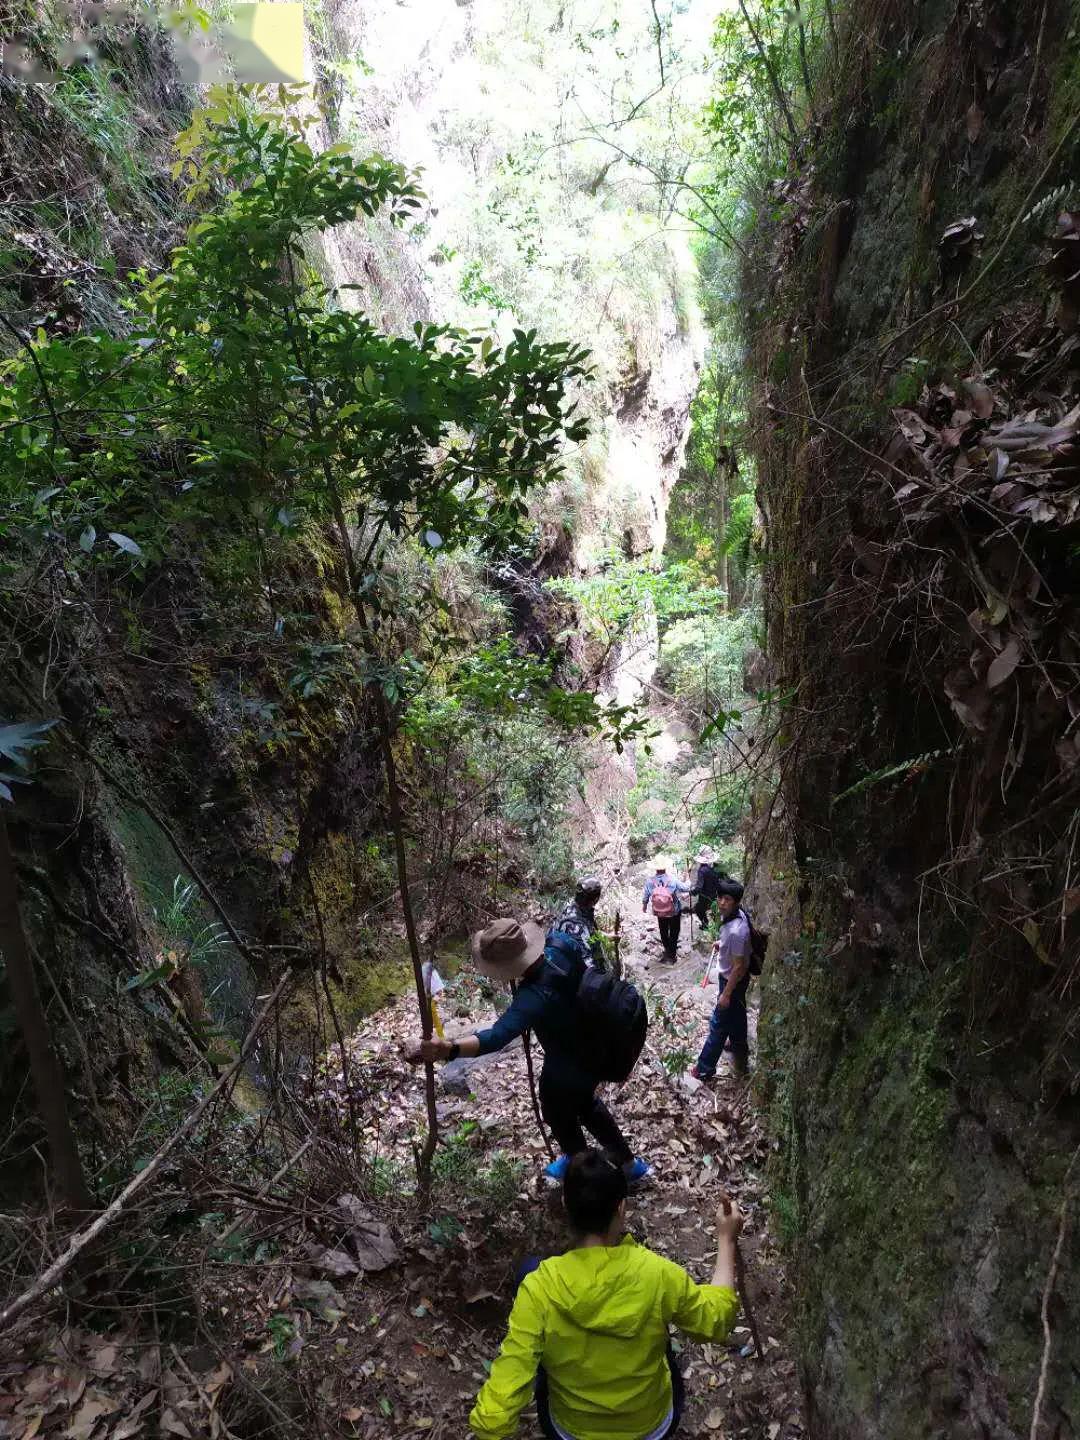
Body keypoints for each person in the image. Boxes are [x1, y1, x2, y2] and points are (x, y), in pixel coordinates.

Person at [468, 1149, 743, 1440]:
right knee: (665, 1341)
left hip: (570, 1432)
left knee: (528, 1273)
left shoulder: (540, 1287)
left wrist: (490, 1427)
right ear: (621, 1208)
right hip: (649, 1429)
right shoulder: (657, 1274)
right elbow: (716, 1320)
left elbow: (498, 1407)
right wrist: (726, 1240)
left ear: (565, 1205)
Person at [404, 918, 649, 1183]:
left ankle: (583, 1171)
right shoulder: (561, 943)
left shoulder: (535, 996)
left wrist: (447, 1049)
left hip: (571, 1060)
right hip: (595, 1043)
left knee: (558, 1110)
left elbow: (496, 1037)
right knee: (585, 1103)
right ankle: (628, 1164)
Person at [690, 879, 752, 1081]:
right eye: (720, 898)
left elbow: (739, 966)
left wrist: (726, 994)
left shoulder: (736, 930)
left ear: (735, 902)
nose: (722, 903)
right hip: (737, 981)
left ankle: (704, 1068)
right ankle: (738, 1047)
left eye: (727, 899)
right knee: (738, 1013)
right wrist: (721, 943)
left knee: (718, 1024)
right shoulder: (738, 916)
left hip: (732, 981)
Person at [641, 857, 691, 963]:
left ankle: (667, 950)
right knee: (674, 931)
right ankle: (672, 955)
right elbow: (685, 888)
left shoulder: (650, 881)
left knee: (663, 931)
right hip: (674, 911)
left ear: (655, 868)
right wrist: (688, 879)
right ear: (665, 868)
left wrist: (644, 906)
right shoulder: (672, 880)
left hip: (659, 912)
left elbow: (646, 895)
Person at [553, 876, 605, 969]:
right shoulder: (577, 927)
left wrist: (606, 937)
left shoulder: (568, 908)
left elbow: (590, 936)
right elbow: (589, 969)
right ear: (596, 899)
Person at [689, 848, 726, 927]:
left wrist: (691, 892)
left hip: (705, 896)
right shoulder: (716, 868)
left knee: (698, 910)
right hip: (716, 895)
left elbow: (699, 887)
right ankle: (717, 928)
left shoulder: (702, 870)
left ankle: (705, 924)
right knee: (715, 912)